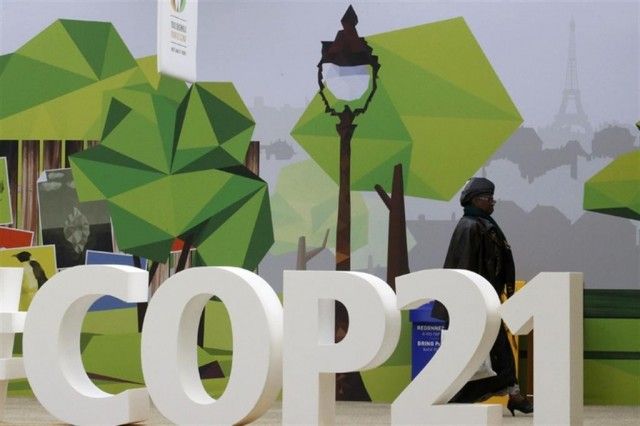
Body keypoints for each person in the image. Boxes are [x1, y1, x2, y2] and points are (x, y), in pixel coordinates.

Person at [432, 177, 533, 416]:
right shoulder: (470, 227)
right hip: (475, 302)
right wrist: (471, 302)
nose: (493, 202)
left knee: (499, 349)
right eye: (488, 198)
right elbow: (466, 268)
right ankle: (456, 398)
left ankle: (514, 394)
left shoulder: (482, 223)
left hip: (486, 299)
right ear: (475, 200)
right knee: (480, 353)